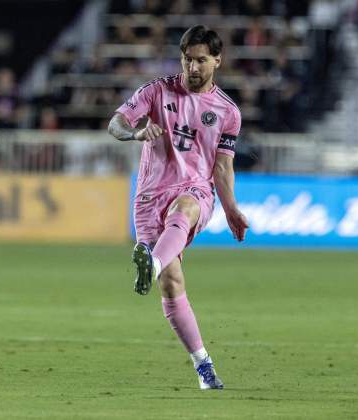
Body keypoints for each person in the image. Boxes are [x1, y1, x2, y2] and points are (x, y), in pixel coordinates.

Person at [107, 25, 249, 390]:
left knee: (184, 210)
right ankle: (204, 367)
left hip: (196, 191)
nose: (193, 67)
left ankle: (149, 262)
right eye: (188, 59)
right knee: (172, 284)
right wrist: (136, 133)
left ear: (217, 60)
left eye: (202, 60)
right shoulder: (155, 92)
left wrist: (231, 209)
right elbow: (116, 123)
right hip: (150, 196)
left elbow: (222, 165)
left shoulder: (227, 111)